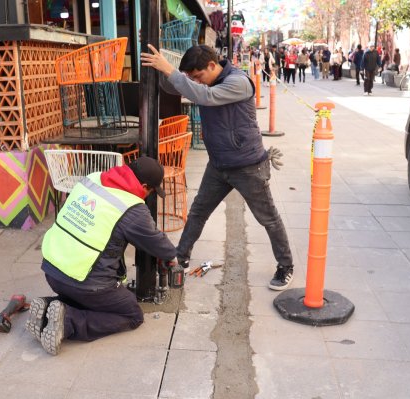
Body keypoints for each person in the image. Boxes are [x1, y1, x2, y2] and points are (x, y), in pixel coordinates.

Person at [141, 44, 295, 291]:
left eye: (198, 76)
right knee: (199, 211)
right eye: (193, 78)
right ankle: (181, 257)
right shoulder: (207, 81)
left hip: (248, 165)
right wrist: (159, 66)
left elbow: (205, 97)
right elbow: (174, 85)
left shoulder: (239, 82)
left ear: (212, 66)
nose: (197, 82)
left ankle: (286, 265)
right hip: (219, 164)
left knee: (268, 218)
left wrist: (170, 69)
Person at [27, 156, 177, 355]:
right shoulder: (132, 208)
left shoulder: (93, 178)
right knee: (132, 314)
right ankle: (67, 322)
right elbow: (157, 243)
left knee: (87, 295)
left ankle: (47, 309)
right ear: (143, 185)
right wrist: (173, 257)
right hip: (85, 284)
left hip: (52, 271)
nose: (148, 195)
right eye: (150, 191)